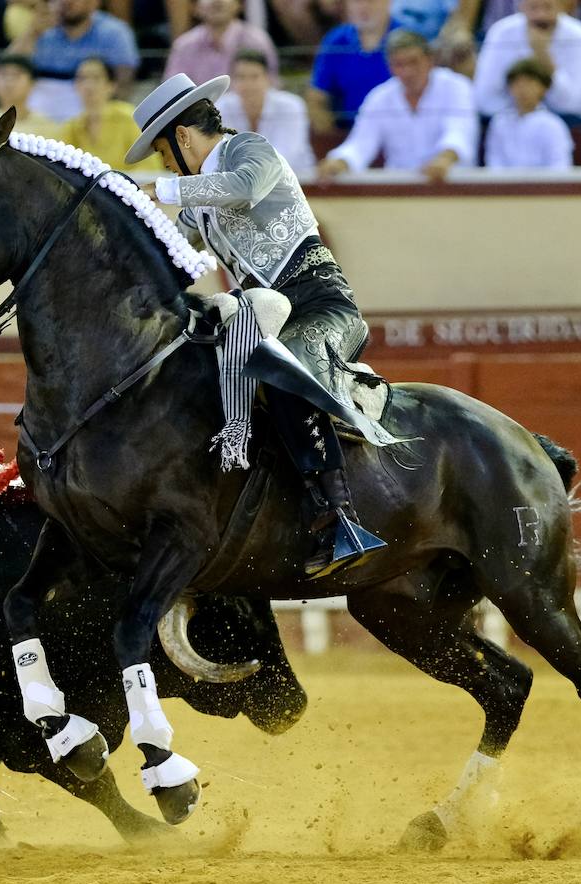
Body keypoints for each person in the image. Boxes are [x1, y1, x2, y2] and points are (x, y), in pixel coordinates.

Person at [125, 72, 390, 579]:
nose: (164, 164)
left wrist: (164, 188)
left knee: (281, 366)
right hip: (266, 310)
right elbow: (176, 252)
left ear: (182, 138)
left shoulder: (251, 149)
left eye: (162, 153)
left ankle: (342, 519)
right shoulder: (200, 198)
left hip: (320, 302)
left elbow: (244, 187)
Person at [316, 29, 478, 182]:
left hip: (453, 183)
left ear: (430, 60)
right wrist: (339, 162)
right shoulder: (379, 97)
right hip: (400, 187)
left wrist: (444, 159)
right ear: (389, 66)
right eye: (399, 64)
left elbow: (459, 133)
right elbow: (360, 144)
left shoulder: (456, 87)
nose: (407, 72)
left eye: (413, 62)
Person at [473, 0, 581, 124]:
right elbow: (484, 98)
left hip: (567, 120)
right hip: (508, 117)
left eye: (547, 6)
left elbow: (571, 105)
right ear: (520, 5)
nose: (541, 15)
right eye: (534, 7)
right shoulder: (501, 32)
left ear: (564, 4)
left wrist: (543, 55)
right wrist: (522, 112)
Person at [11, 0, 139, 122]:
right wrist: (32, 33)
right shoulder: (42, 28)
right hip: (39, 115)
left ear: (94, 3)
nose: (66, 2)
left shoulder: (114, 32)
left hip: (92, 112)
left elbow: (123, 83)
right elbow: (9, 67)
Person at [217, 49, 314, 173]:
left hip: (296, 182)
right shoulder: (221, 107)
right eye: (241, 77)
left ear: (268, 78)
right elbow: (221, 154)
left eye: (255, 77)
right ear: (232, 80)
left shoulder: (291, 106)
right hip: (242, 183)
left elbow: (285, 156)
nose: (248, 84)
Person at [308, 0, 396, 130]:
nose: (364, 6)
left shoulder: (408, 39)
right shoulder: (335, 41)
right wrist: (332, 140)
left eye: (372, 1)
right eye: (356, 1)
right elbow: (316, 98)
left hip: (398, 134)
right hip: (347, 134)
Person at [484, 56, 574, 167]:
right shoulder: (499, 123)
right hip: (505, 183)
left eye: (529, 83)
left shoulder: (554, 125)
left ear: (543, 88)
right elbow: (494, 162)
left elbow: (559, 166)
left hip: (543, 183)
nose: (522, 89)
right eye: (517, 83)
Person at [163, 0, 278, 86]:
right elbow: (173, 90)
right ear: (195, 7)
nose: (217, 2)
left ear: (240, 5)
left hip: (243, 115)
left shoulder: (256, 41)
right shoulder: (184, 45)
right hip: (198, 115)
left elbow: (271, 87)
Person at [60, 56, 137, 169]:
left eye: (96, 78)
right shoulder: (71, 126)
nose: (88, 85)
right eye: (82, 78)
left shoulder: (129, 118)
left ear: (112, 86)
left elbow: (148, 167)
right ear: (75, 86)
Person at [0, 52, 62, 138]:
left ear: (32, 82)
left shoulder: (48, 127)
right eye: (3, 74)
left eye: (16, 75)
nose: (9, 81)